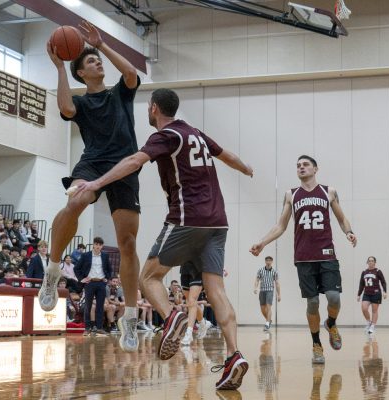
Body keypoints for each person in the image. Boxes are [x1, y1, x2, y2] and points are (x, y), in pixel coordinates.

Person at [73, 88, 253, 390]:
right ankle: (234, 355)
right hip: (218, 222)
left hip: (187, 216)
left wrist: (98, 181)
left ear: (154, 109)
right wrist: (246, 168)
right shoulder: (195, 133)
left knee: (148, 277)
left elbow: (133, 162)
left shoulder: (166, 135)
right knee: (217, 291)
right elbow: (228, 156)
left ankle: (172, 319)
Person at [40, 19, 142, 354]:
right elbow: (66, 107)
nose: (96, 63)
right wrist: (59, 67)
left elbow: (131, 74)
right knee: (77, 200)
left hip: (124, 164)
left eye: (97, 60)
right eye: (90, 62)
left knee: (127, 243)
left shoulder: (120, 93)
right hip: (93, 162)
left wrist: (102, 46)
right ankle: (53, 271)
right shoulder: (81, 103)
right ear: (81, 74)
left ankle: (128, 317)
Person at [250, 155, 357, 365]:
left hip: (327, 254)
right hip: (304, 257)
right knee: (313, 302)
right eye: (298, 165)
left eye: (305, 164)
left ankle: (331, 323)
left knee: (334, 298)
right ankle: (317, 344)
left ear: (316, 169)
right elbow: (281, 226)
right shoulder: (291, 194)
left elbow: (341, 218)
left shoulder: (329, 191)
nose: (301, 167)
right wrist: (262, 242)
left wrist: (349, 232)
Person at [74, 237, 112, 336]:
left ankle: (99, 327)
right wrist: (82, 279)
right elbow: (76, 268)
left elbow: (109, 269)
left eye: (100, 245)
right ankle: (87, 328)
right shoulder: (86, 255)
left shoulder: (105, 255)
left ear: (102, 246)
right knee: (88, 306)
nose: (98, 246)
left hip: (101, 283)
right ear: (93, 245)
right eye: (96, 244)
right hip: (89, 283)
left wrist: (106, 279)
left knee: (100, 306)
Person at [180, 261, 212, 346]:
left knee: (192, 300)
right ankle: (202, 323)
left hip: (198, 268)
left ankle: (189, 333)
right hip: (184, 268)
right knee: (190, 302)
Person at [357, 256, 387, 334]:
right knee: (364, 308)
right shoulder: (364, 272)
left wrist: (385, 291)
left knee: (374, 310)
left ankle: (373, 326)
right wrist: (359, 294)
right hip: (366, 293)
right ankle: (369, 322)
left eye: (372, 261)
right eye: (369, 261)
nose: (370, 262)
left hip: (376, 293)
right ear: (367, 262)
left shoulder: (378, 271)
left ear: (374, 262)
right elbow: (361, 284)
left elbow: (383, 282)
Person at [253, 256, 281, 331]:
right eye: (267, 260)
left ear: (272, 262)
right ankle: (269, 320)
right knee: (262, 308)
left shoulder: (274, 272)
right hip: (262, 291)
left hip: (270, 291)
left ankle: (267, 324)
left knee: (268, 307)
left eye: (270, 261)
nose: (268, 262)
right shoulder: (261, 270)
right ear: (265, 261)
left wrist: (279, 295)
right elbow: (257, 280)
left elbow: (277, 283)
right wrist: (255, 288)